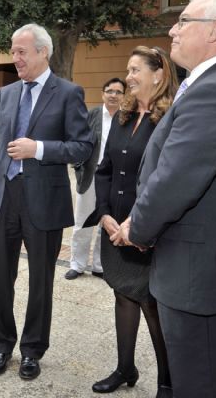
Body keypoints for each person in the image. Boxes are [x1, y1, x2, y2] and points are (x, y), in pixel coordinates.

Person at [115, 0, 216, 397]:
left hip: (203, 277)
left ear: (215, 30)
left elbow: (175, 179)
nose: (172, 29)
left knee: (203, 385)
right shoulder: (214, 83)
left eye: (183, 21)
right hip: (196, 269)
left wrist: (137, 228)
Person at [0, 23, 93, 380]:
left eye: (21, 52)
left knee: (40, 282)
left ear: (43, 52)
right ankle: (1, 346)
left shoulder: (68, 93)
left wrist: (38, 149)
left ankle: (32, 351)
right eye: (13, 51)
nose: (15, 58)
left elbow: (82, 147)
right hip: (5, 198)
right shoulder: (6, 94)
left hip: (44, 201)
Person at [91, 47, 176, 397]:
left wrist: (134, 225)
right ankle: (126, 368)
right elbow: (104, 171)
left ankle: (168, 381)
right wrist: (106, 216)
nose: (128, 77)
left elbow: (166, 181)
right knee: (123, 297)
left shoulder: (170, 120)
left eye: (135, 69)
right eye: (127, 70)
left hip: (146, 233)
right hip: (114, 230)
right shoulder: (122, 117)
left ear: (158, 75)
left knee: (152, 306)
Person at [65, 77, 124, 281]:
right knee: (82, 222)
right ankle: (77, 264)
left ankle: (100, 266)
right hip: (90, 176)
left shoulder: (127, 117)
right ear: (103, 94)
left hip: (113, 179)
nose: (113, 95)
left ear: (124, 96)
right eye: (110, 91)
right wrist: (79, 167)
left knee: (106, 224)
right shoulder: (92, 115)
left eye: (118, 92)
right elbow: (76, 140)